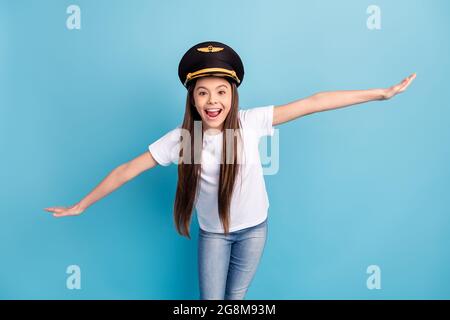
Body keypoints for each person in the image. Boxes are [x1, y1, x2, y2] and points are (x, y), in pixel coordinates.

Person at [44, 41, 416, 299]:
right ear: (192, 97)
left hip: (254, 229)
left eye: (221, 91)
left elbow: (315, 102)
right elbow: (127, 170)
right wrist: (82, 204)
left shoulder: (250, 122)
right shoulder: (180, 139)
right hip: (214, 235)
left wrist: (380, 93)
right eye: (202, 92)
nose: (212, 100)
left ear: (232, 95)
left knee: (235, 298)